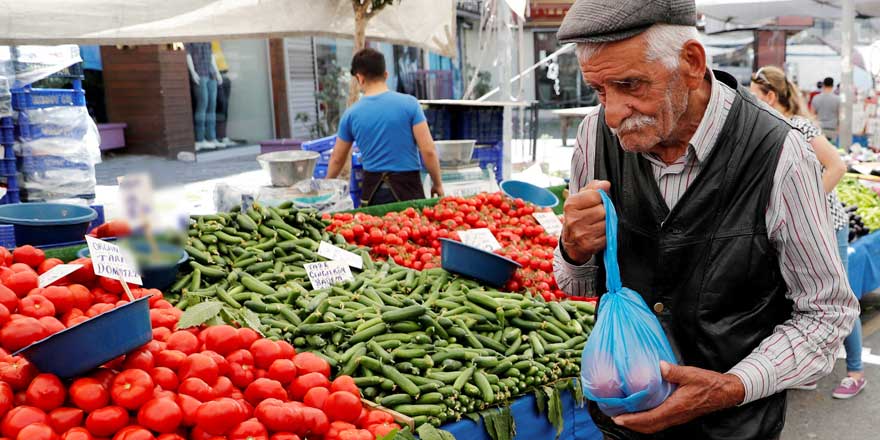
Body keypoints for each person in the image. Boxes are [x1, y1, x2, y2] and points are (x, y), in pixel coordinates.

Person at [554, 0, 859, 438]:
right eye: (600, 91)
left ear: (692, 63)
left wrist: (730, 386)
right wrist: (574, 249)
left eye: (630, 84)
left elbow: (827, 313)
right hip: (624, 424)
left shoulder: (779, 154)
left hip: (732, 426)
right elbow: (578, 284)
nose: (614, 113)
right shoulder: (593, 137)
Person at [750, 66, 866, 399]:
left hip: (830, 227)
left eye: (756, 98)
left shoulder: (799, 127)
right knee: (801, 297)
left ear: (771, 97)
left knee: (836, 298)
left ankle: (856, 371)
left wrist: (806, 207)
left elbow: (838, 166)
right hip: (798, 231)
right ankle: (812, 368)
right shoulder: (768, 131)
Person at [326, 48, 444, 206]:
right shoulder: (410, 104)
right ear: (386, 75)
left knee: (378, 230)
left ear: (359, 78)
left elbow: (337, 159)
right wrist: (437, 183)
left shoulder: (351, 114)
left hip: (373, 194)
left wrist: (325, 187)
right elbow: (428, 151)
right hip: (409, 190)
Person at [813, 77, 841, 143]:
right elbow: (840, 115)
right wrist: (838, 128)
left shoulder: (816, 98)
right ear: (832, 85)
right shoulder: (837, 99)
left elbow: (812, 115)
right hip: (832, 128)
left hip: (819, 129)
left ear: (823, 85)